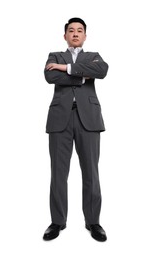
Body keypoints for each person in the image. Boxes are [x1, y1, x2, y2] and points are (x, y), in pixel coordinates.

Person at [43, 17, 109, 242]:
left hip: (88, 119)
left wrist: (67, 68)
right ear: (65, 35)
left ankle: (93, 222)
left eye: (80, 31)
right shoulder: (54, 56)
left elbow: (102, 70)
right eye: (71, 30)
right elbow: (50, 76)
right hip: (59, 118)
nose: (75, 33)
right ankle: (57, 221)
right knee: (58, 174)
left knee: (91, 171)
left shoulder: (94, 57)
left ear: (85, 36)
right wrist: (82, 75)